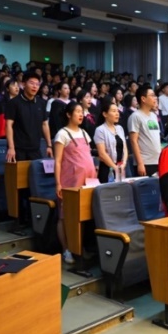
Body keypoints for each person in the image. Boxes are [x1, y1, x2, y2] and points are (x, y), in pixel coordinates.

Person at [54, 101, 97, 264]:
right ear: (68, 114)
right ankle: (66, 249)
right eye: (77, 111)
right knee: (65, 217)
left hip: (88, 181)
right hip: (70, 182)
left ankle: (78, 247)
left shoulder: (85, 133)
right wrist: (58, 183)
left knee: (81, 215)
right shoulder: (62, 134)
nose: (81, 114)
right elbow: (58, 161)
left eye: (82, 112)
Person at [5, 71, 52, 162]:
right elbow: (8, 125)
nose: (35, 86)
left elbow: (45, 124)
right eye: (31, 83)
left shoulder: (41, 103)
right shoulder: (14, 103)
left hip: (35, 149)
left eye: (37, 84)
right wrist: (11, 148)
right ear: (23, 84)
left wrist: (49, 145)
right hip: (18, 150)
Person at [128, 84, 162, 176]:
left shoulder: (154, 116)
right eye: (152, 95)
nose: (155, 98)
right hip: (145, 162)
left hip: (157, 160)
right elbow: (133, 141)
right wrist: (140, 163)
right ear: (143, 99)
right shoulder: (135, 116)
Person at [94, 98, 128, 185]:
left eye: (117, 111)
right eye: (113, 111)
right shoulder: (100, 130)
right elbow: (102, 154)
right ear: (105, 114)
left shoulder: (120, 128)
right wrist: (115, 168)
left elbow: (125, 148)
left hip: (121, 167)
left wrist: (123, 164)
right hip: (107, 169)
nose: (117, 113)